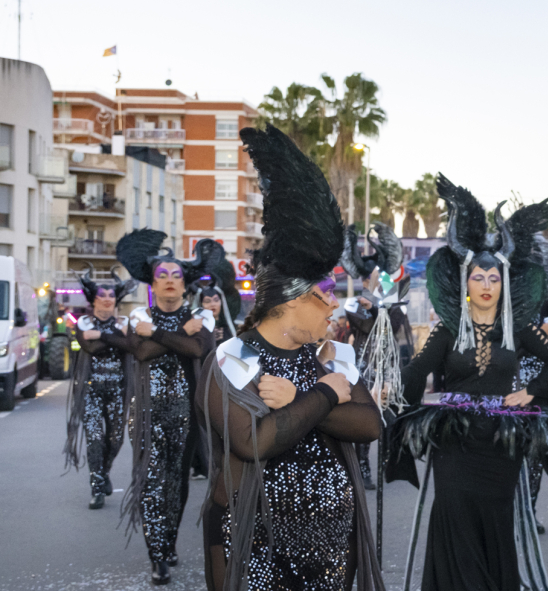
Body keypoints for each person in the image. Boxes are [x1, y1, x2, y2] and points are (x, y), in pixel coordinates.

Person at [198, 125, 385, 591]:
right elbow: (255, 443)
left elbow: (370, 425)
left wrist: (300, 397)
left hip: (329, 545)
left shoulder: (333, 353)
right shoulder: (231, 357)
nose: (334, 306)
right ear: (289, 301)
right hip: (253, 543)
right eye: (323, 297)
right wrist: (325, 394)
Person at [388, 174, 548, 591]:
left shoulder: (519, 326)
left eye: (493, 279)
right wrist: (393, 391)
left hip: (500, 442)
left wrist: (531, 392)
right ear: (466, 283)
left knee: (496, 512)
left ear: (503, 282)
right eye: (478, 278)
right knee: (454, 509)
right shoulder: (448, 328)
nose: (487, 286)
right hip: (456, 439)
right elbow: (418, 371)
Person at [109, 231, 222, 585]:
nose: (170, 281)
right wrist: (177, 334)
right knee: (152, 483)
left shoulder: (202, 316)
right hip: (146, 414)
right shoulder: (136, 316)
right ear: (152, 284)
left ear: (185, 283)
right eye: (163, 276)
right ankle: (157, 555)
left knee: (177, 484)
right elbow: (140, 353)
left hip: (188, 417)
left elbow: (196, 350)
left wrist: (156, 333)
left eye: (176, 276)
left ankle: (169, 539)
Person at [341, 220, 413, 492]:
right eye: (368, 278)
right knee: (364, 417)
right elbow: (366, 325)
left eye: (378, 278)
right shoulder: (351, 303)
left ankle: (387, 463)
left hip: (388, 369)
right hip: (362, 367)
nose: (374, 281)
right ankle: (362, 467)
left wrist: (383, 289)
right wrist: (372, 302)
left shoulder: (394, 304)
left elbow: (393, 325)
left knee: (391, 418)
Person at [64, 265, 137, 509]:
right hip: (90, 390)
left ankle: (104, 472)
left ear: (117, 299)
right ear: (93, 299)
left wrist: (102, 335)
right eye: (101, 295)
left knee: (115, 439)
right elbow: (90, 348)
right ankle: (96, 488)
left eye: (111, 295)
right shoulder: (83, 322)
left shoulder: (125, 322)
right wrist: (117, 337)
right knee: (95, 438)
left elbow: (131, 346)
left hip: (118, 390)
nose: (106, 299)